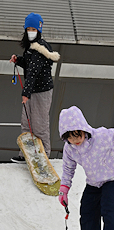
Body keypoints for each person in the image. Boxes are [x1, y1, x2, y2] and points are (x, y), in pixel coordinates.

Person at [10, 12, 60, 163]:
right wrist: (18, 60)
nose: (31, 31)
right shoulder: (30, 47)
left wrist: (26, 93)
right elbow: (28, 63)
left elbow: (33, 72)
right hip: (32, 90)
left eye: (33, 29)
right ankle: (26, 153)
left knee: (39, 124)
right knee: (26, 122)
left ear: (39, 30)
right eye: (28, 28)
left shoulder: (40, 48)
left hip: (41, 92)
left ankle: (44, 154)